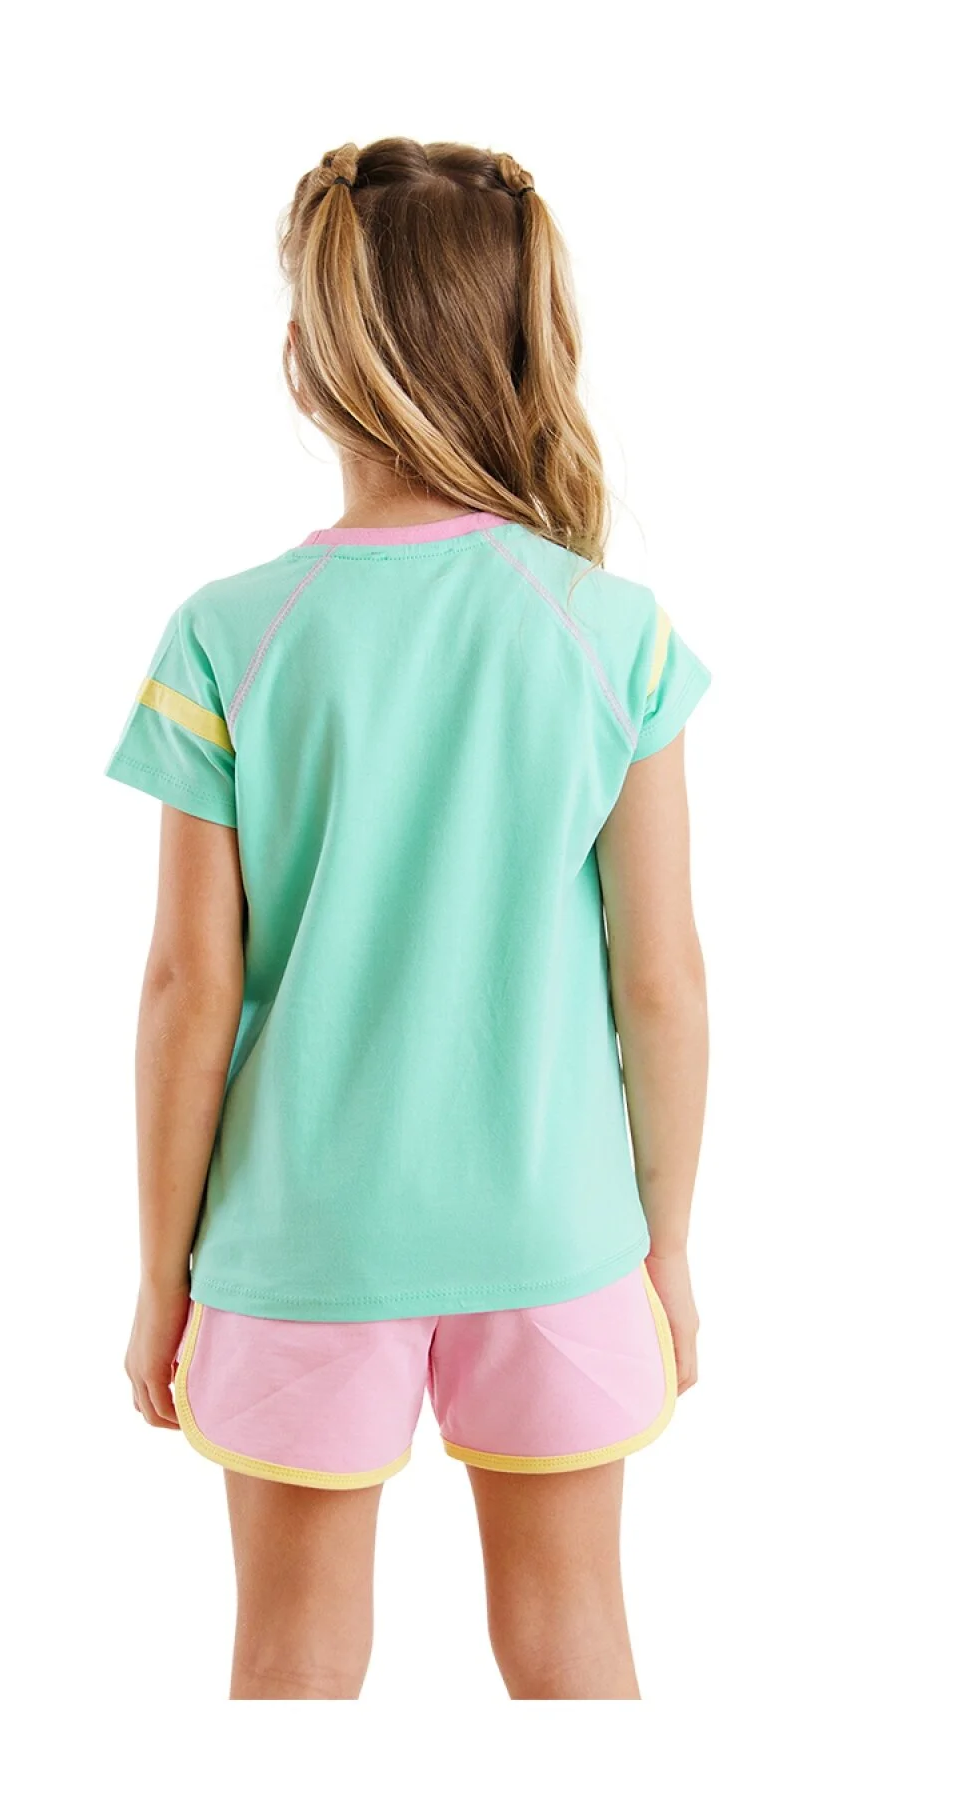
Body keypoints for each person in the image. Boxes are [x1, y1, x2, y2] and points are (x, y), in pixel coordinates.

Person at [106, 138, 711, 1701]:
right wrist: (666, 1250)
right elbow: (660, 980)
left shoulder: (232, 635)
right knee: (572, 1644)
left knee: (293, 1663)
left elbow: (186, 989)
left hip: (299, 1238)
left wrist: (163, 1274)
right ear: (520, 339)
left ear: (312, 360)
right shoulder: (611, 633)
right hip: (556, 1230)